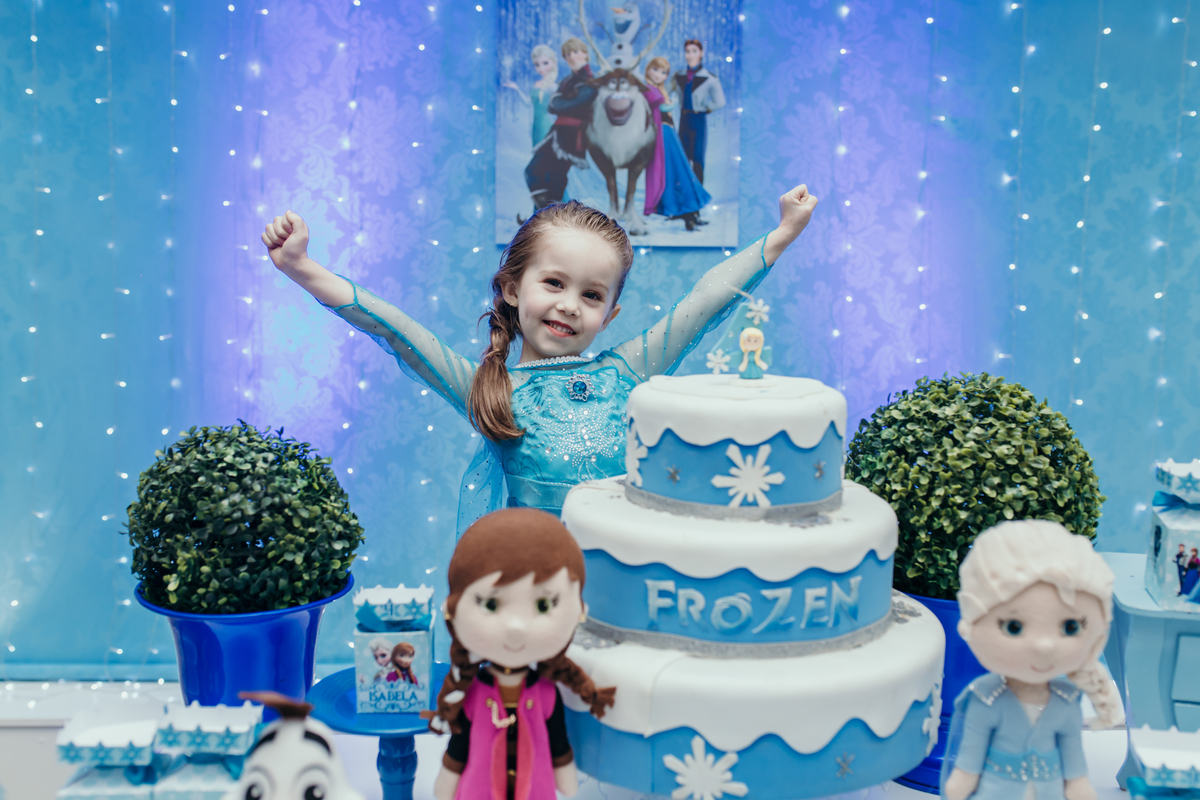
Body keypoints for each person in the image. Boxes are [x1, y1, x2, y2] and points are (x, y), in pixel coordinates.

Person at [260, 185, 817, 531]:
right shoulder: (487, 389)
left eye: (591, 295)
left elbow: (706, 301)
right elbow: (396, 328)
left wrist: (783, 233)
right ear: (511, 288)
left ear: (610, 315)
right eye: (554, 282)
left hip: (623, 571)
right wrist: (302, 268)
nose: (569, 305)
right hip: (535, 584)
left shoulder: (628, 370)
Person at [424, 508, 616, 800]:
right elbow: (459, 746)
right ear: (453, 608)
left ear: (579, 610)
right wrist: (449, 774)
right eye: (491, 605)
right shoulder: (473, 694)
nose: (515, 627)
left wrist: (563, 767)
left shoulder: (546, 693)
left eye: (543, 605)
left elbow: (558, 739)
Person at [941, 520, 1124, 800]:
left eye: (1070, 627)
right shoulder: (985, 700)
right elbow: (969, 761)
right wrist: (959, 785)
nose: (1044, 645)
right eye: (1013, 627)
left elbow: (1074, 764)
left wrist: (1079, 787)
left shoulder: (1066, 702)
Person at [524, 39, 595, 211]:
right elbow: (553, 105)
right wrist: (560, 101)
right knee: (534, 171)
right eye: (568, 54)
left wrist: (560, 101)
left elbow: (568, 104)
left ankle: (549, 216)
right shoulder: (568, 80)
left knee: (555, 177)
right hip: (556, 131)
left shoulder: (589, 81)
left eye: (575, 52)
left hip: (572, 135)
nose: (571, 57)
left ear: (585, 54)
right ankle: (547, 214)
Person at [642, 57, 711, 231]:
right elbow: (655, 108)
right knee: (676, 172)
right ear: (648, 69)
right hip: (661, 134)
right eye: (655, 70)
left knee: (682, 172)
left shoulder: (658, 88)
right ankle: (685, 213)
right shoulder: (647, 89)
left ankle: (692, 214)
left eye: (663, 72)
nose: (659, 75)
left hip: (668, 132)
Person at [672, 39, 725, 187]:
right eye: (687, 51)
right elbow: (668, 92)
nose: (690, 55)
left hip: (698, 119)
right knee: (682, 156)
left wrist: (705, 108)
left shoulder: (709, 78)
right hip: (683, 118)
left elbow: (720, 101)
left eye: (694, 51)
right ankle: (683, 192)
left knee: (697, 157)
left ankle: (697, 194)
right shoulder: (679, 75)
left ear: (701, 53)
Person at [502, 44, 559, 148]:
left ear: (554, 63)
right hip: (535, 124)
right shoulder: (536, 84)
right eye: (537, 65)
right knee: (536, 149)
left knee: (545, 150)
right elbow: (528, 103)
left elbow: (557, 108)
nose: (541, 68)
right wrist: (517, 89)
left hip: (546, 123)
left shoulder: (553, 87)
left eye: (545, 63)